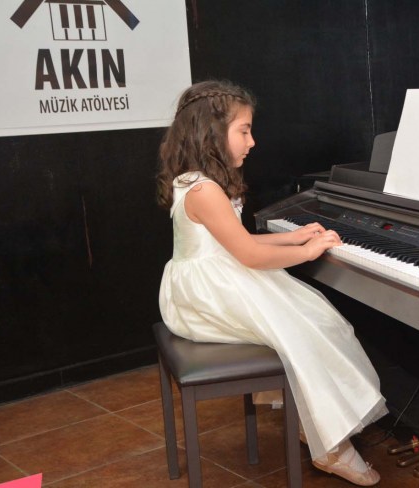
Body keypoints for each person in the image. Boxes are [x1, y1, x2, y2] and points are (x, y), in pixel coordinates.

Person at [156, 80, 388, 486]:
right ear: (210, 132)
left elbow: (234, 242)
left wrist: (294, 237)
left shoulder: (194, 180)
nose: (253, 141)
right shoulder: (205, 191)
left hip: (206, 283)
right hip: (204, 298)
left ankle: (315, 423)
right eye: (244, 130)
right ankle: (329, 445)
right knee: (304, 330)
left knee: (314, 321)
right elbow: (248, 254)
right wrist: (308, 252)